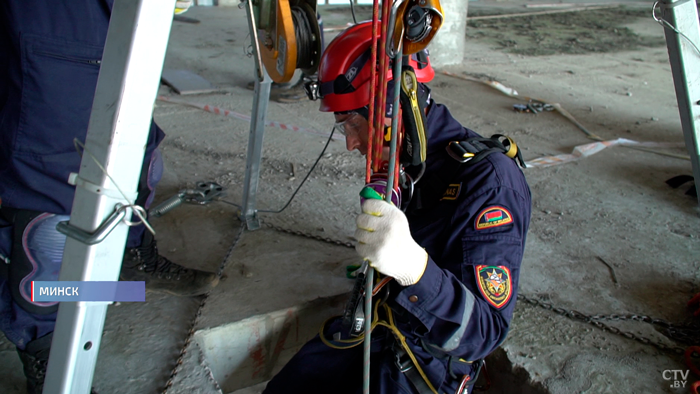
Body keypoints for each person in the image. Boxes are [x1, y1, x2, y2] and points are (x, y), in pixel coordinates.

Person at [263, 21, 531, 394]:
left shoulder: (488, 183)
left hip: (427, 365)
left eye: (352, 123)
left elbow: (484, 333)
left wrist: (414, 269)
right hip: (378, 325)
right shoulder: (409, 160)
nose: (351, 143)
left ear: (395, 106)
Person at [0, 1, 218, 393]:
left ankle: (131, 258)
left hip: (125, 14)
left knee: (135, 155)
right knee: (52, 197)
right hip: (59, 14)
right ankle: (47, 348)